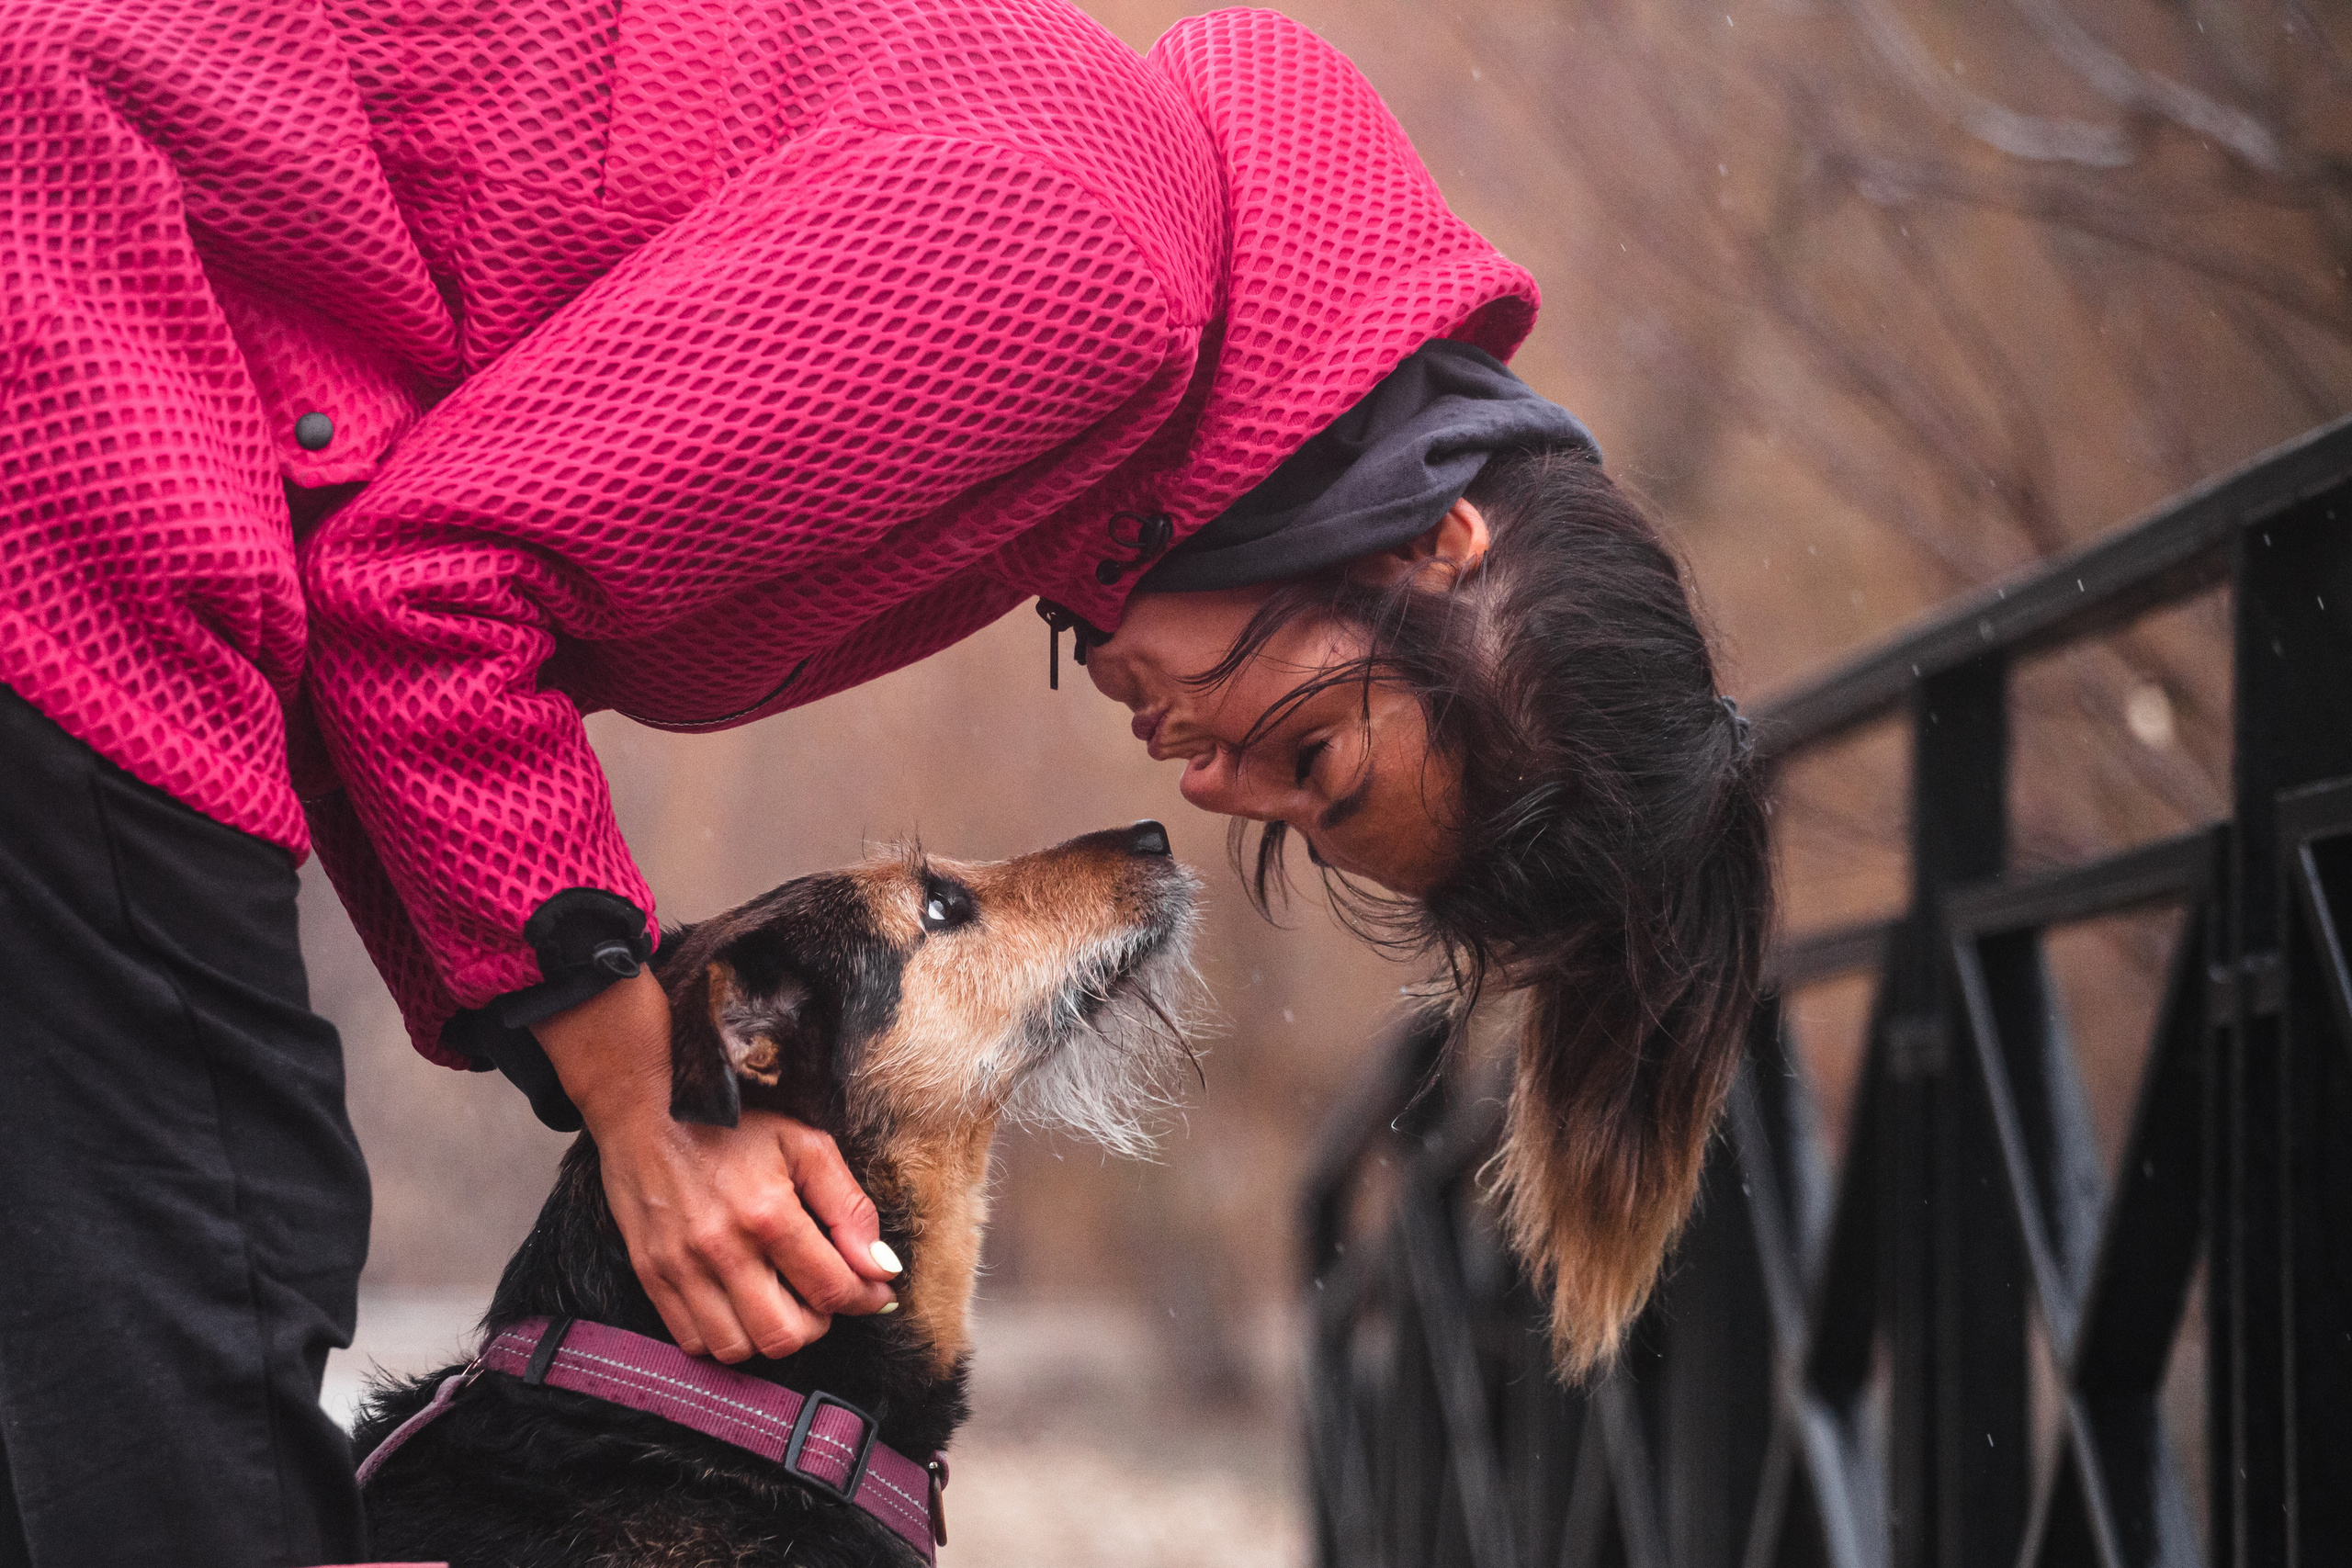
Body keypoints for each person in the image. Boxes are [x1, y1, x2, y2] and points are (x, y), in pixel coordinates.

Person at [0, 1, 1768, 1562]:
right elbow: (419, 595)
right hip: (86, 307)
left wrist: (609, 1051)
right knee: (196, 1313)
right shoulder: (1092, 262)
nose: (1221, 791)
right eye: (1311, 754)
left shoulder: (1082, 417)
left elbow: (387, 613)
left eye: (1293, 812)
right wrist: (644, 1100)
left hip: (114, 370)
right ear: (1435, 540)